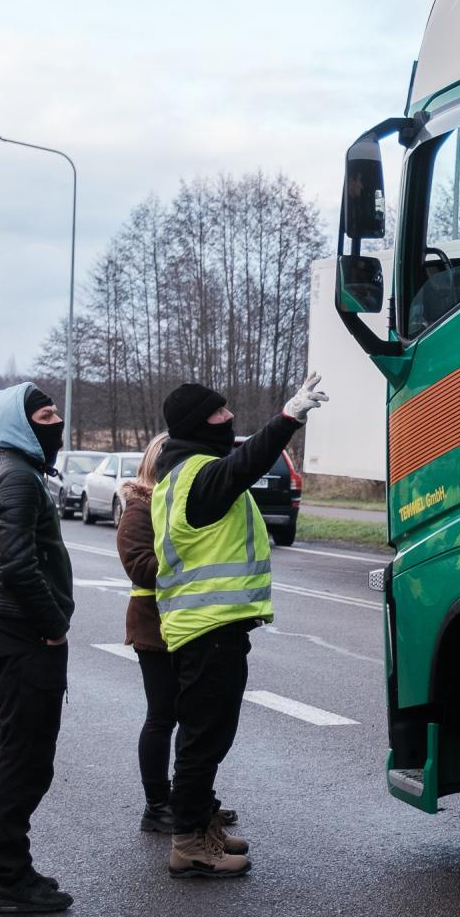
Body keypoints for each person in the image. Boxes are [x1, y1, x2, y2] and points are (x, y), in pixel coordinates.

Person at [152, 372, 327, 880]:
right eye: (219, 413)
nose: (230, 418)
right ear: (196, 424)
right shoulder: (201, 476)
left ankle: (202, 824)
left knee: (208, 734)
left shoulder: (180, 473)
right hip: (208, 626)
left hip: (206, 624)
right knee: (203, 739)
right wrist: (289, 416)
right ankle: (188, 843)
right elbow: (246, 465)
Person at [0, 382, 76, 913]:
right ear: (20, 424)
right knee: (24, 759)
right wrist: (52, 623)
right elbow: (16, 564)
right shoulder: (17, 478)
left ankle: (14, 869)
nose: (56, 419)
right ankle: (9, 879)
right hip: (25, 637)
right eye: (44, 412)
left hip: (19, 634)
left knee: (30, 758)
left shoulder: (17, 473)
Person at [114, 436, 243, 838]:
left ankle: (194, 801)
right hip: (155, 629)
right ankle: (157, 805)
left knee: (198, 721)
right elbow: (139, 565)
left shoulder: (184, 503)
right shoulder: (139, 506)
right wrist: (194, 559)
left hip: (192, 624)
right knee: (162, 716)